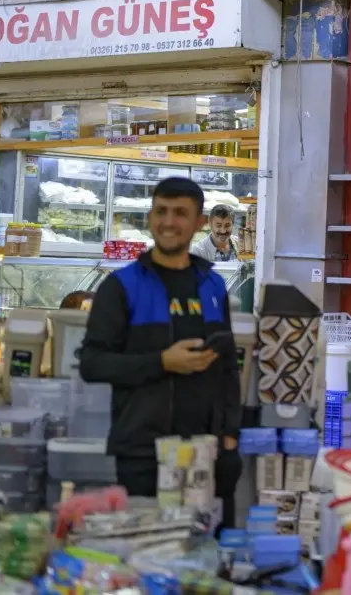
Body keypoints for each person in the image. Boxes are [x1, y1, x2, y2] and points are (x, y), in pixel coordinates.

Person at [78, 177, 242, 526]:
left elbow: (228, 367)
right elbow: (92, 364)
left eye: (180, 213)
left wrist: (229, 439)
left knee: (205, 558)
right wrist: (162, 362)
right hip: (141, 453)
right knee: (148, 555)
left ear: (198, 223)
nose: (169, 222)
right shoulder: (121, 287)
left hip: (204, 453)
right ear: (150, 217)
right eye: (161, 211)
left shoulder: (212, 286)